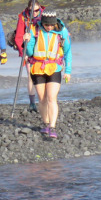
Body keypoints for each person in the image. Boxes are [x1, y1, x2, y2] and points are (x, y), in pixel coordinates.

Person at [24, 11, 71, 139]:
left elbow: (67, 52)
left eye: (51, 25)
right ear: (42, 23)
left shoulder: (62, 32)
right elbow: (29, 51)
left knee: (51, 98)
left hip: (54, 67)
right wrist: (27, 41)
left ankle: (52, 126)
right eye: (46, 25)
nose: (49, 27)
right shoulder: (35, 30)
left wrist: (68, 71)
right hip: (38, 68)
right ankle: (45, 123)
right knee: (42, 98)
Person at [14, 0, 44, 112]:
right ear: (28, 9)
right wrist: (23, 53)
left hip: (42, 50)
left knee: (43, 76)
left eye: (36, 11)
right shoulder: (23, 18)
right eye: (32, 11)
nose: (35, 13)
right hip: (28, 52)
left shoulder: (45, 16)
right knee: (31, 77)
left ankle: (43, 100)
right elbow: (18, 38)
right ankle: (32, 103)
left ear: (40, 8)